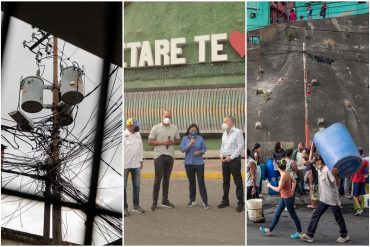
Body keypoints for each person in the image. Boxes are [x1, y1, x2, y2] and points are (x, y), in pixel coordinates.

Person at [301, 155, 350, 243]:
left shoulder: (328, 170)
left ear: (320, 161)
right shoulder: (319, 169)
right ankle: (310, 235)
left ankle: (344, 235)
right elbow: (307, 162)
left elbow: (337, 183)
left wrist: (335, 174)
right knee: (315, 215)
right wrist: (312, 148)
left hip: (332, 199)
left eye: (315, 162)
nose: (314, 165)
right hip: (324, 199)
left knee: (338, 218)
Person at [259, 159, 302, 239]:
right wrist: (292, 192)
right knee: (277, 214)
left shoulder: (283, 176)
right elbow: (294, 182)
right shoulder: (286, 173)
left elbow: (278, 189)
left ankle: (300, 232)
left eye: (276, 165)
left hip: (288, 199)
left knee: (293, 216)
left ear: (278, 167)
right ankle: (269, 230)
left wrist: (269, 185)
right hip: (285, 197)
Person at [148, 110, 180, 211]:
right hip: (159, 156)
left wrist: (172, 142)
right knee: (158, 179)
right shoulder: (156, 127)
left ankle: (165, 200)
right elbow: (150, 141)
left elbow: (178, 141)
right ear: (162, 116)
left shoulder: (174, 128)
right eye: (166, 116)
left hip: (170, 156)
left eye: (169, 117)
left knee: (167, 179)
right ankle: (154, 202)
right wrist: (163, 142)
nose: (168, 118)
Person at [218, 116, 244, 212]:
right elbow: (222, 145)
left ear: (231, 122)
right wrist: (221, 155)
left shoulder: (237, 132)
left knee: (238, 182)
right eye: (223, 121)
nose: (223, 123)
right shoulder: (224, 133)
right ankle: (225, 200)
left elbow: (240, 146)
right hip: (224, 160)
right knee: (225, 181)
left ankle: (241, 202)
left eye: (225, 121)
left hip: (234, 160)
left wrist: (231, 157)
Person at [180, 123, 210, 209]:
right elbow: (182, 149)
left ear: (197, 131)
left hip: (199, 164)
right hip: (188, 164)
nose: (193, 131)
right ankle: (192, 201)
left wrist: (200, 152)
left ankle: (205, 202)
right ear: (189, 130)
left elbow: (204, 148)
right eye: (191, 130)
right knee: (191, 183)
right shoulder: (185, 139)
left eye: (195, 130)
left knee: (201, 183)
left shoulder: (200, 138)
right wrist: (189, 144)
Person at [124, 118, 145, 216]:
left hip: (136, 164)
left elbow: (140, 148)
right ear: (129, 126)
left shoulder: (138, 135)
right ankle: (124, 207)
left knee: (136, 186)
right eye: (135, 126)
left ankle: (136, 206)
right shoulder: (123, 135)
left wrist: (141, 160)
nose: (137, 127)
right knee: (123, 187)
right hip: (125, 165)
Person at [352, 147, 369, 215]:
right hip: (362, 180)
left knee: (354, 196)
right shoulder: (365, 161)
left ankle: (359, 209)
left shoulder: (354, 161)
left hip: (356, 180)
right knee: (360, 195)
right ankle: (359, 208)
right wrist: (366, 174)